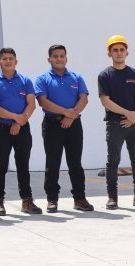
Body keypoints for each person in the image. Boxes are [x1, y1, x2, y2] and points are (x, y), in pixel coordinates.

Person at [98, 35, 135, 210]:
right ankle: (112, 197)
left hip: (134, 124)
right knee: (113, 161)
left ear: (127, 53)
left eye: (122, 50)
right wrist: (128, 114)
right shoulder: (105, 75)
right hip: (115, 124)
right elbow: (105, 101)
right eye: (115, 50)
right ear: (109, 53)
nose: (119, 53)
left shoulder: (134, 73)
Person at [35, 44, 93, 212]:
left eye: (62, 56)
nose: (59, 59)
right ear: (49, 59)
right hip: (52, 124)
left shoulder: (76, 77)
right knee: (52, 163)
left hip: (74, 124)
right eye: (55, 56)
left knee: (75, 163)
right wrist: (66, 113)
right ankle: (52, 200)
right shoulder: (42, 79)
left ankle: (80, 198)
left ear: (66, 58)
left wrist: (71, 116)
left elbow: (84, 98)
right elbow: (42, 101)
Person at [0, 48, 41, 215]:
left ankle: (27, 200)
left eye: (11, 58)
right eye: (4, 59)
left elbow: (31, 104)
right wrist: (16, 118)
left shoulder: (25, 81)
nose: (8, 61)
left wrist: (19, 122)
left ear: (16, 61)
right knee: (1, 166)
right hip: (2, 129)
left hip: (22, 128)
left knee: (23, 165)